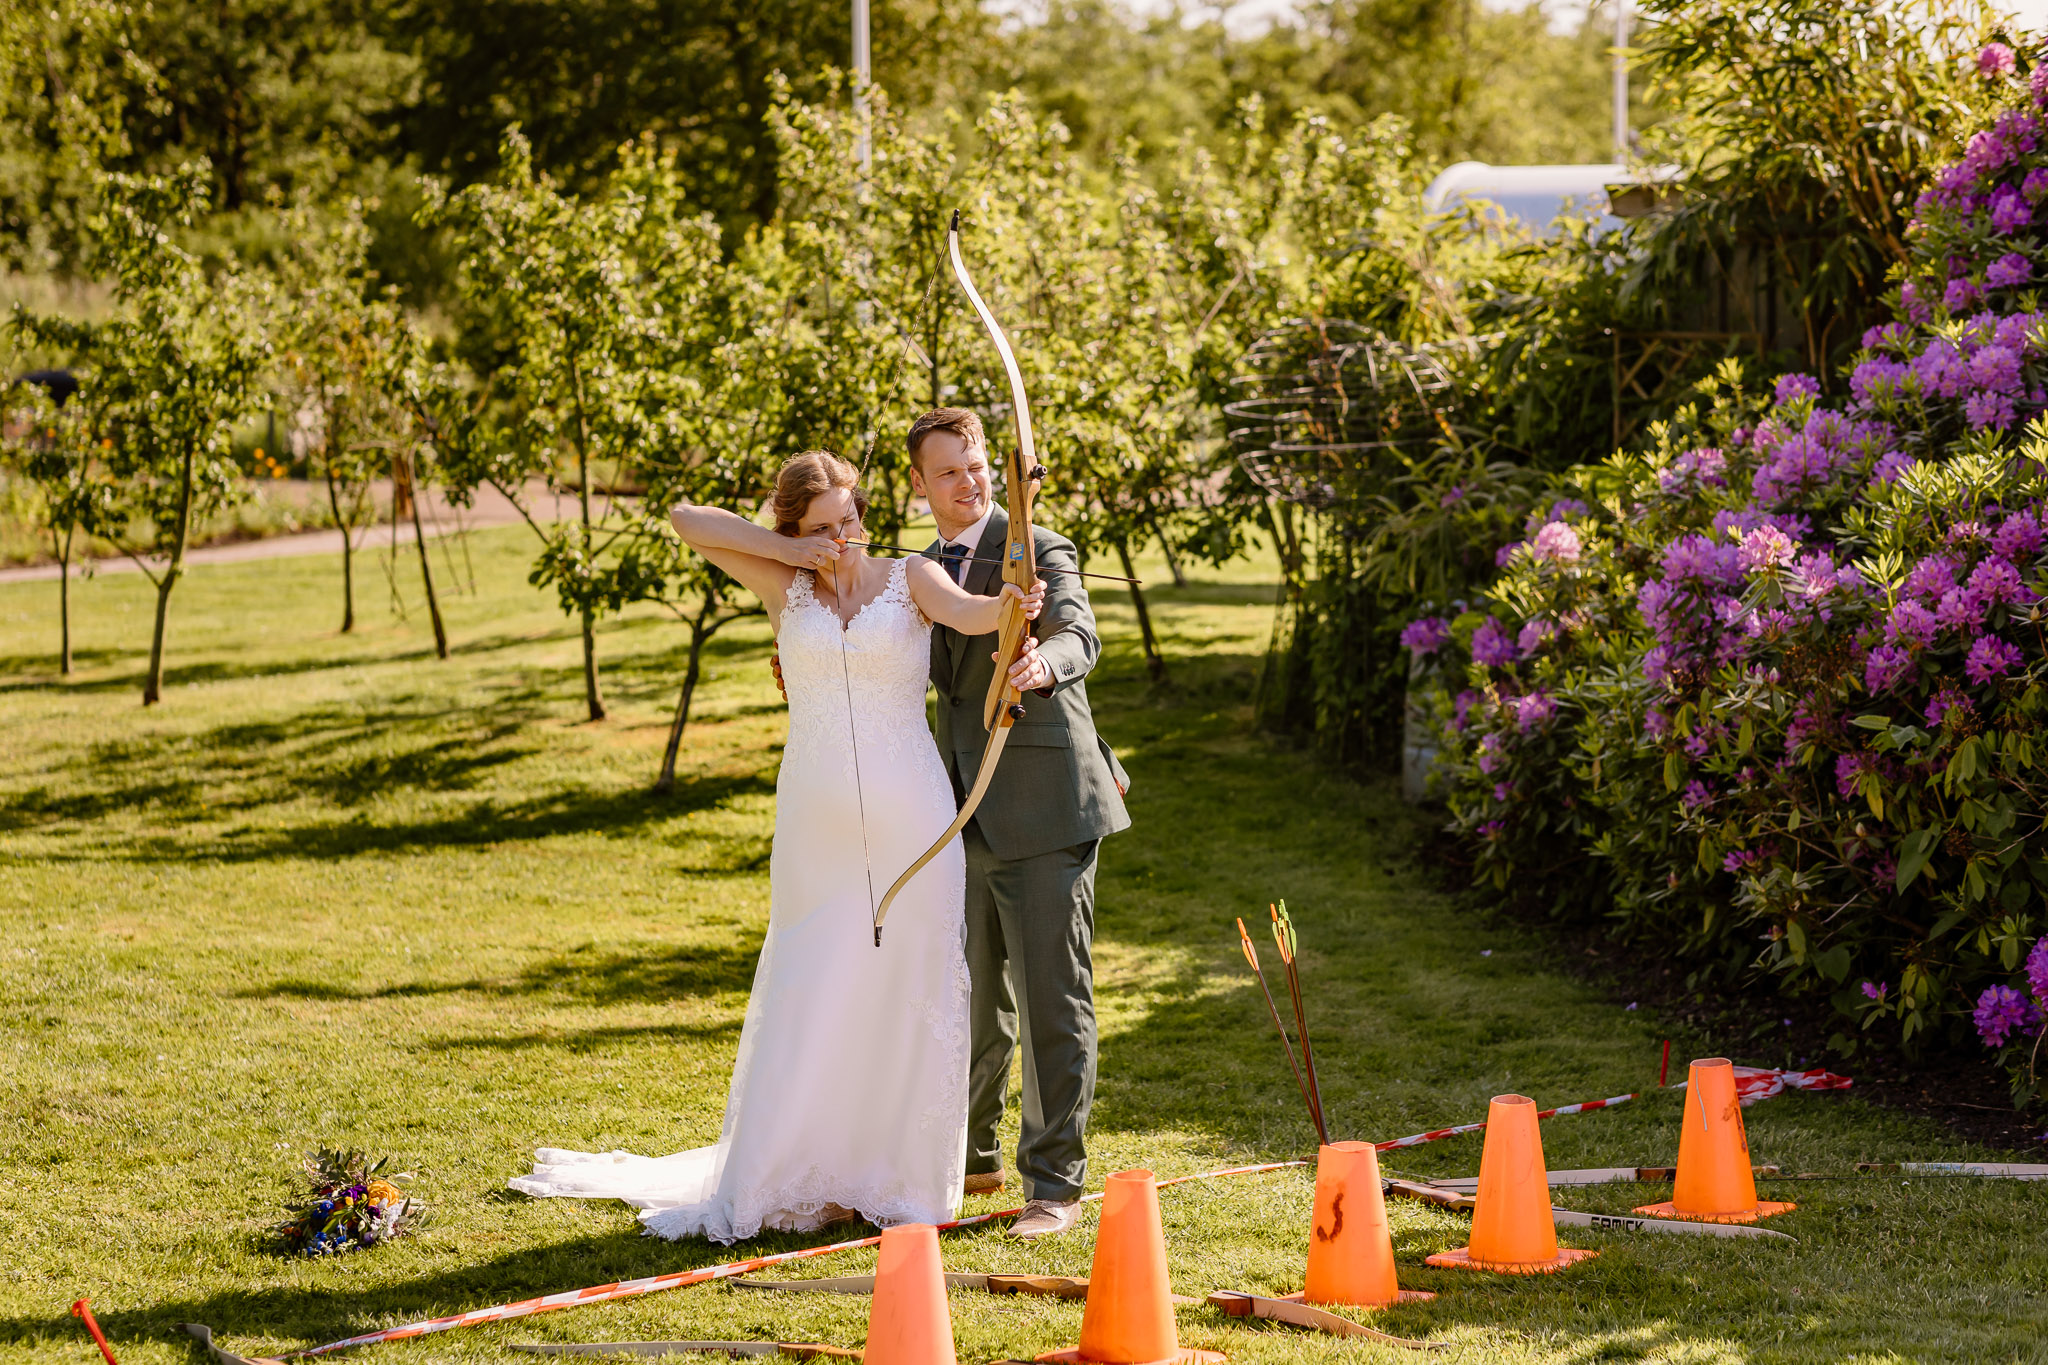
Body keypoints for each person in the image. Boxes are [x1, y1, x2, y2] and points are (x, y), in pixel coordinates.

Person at [508, 451, 1043, 1243]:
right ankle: (806, 1172)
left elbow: (972, 613)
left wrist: (1014, 602)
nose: (842, 536)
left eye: (850, 518)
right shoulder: (784, 587)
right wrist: (787, 552)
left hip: (913, 827)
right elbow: (686, 520)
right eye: (822, 526)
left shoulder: (910, 577)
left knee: (909, 986)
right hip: (814, 830)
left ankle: (893, 1177)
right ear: (795, 531)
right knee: (816, 983)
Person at [906, 407, 1131, 1240]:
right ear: (922, 484)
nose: (969, 482)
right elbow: (913, 666)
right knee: (970, 999)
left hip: (1044, 803)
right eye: (950, 472)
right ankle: (973, 1155)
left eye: (976, 466)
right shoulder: (926, 568)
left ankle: (1055, 1183)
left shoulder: (1037, 544)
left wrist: (1044, 661)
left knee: (1050, 998)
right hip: (961, 809)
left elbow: (1078, 630)